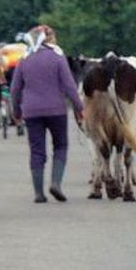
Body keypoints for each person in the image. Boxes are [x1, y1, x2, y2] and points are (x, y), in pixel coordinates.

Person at [10, 25, 85, 203]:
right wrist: (79, 107)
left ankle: (38, 193)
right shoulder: (58, 58)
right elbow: (69, 86)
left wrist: (17, 111)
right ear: (49, 38)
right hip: (56, 110)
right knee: (60, 146)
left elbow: (15, 89)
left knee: (37, 151)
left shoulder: (24, 59)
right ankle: (56, 184)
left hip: (31, 112)